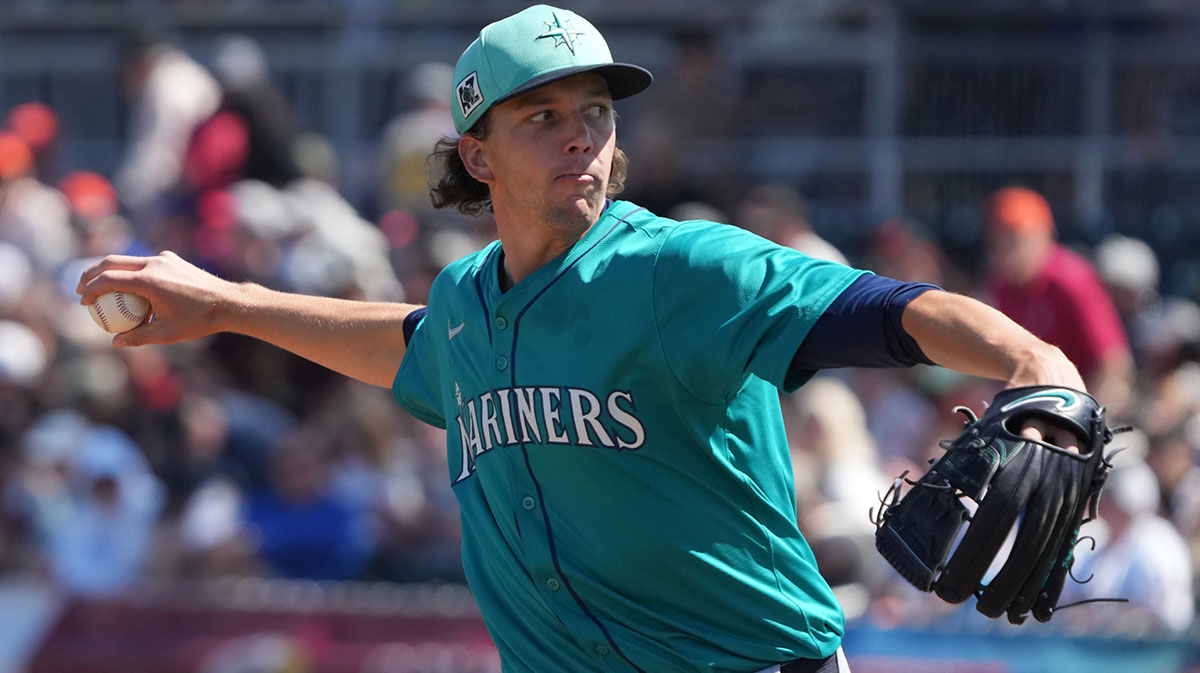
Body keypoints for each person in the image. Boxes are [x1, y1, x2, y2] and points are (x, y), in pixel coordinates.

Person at [78, 6, 1089, 672]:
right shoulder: (471, 305)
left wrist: (1033, 363)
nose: (580, 136)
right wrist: (228, 304)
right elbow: (411, 345)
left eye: (596, 114)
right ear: (476, 154)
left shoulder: (683, 271)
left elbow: (884, 309)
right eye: (544, 115)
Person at [980, 186, 1134, 417]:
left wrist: (1082, 420)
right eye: (999, 242)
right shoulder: (999, 283)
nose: (1007, 252)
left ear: (1043, 236)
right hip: (1029, 407)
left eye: (1015, 241)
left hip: (1082, 403)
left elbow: (1115, 366)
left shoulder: (1071, 279)